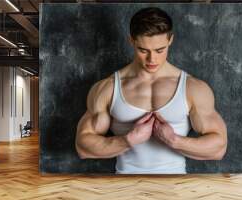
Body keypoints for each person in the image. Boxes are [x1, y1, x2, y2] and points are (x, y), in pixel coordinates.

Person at [75, 7, 227, 174]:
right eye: (143, 50)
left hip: (174, 185)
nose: (152, 59)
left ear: (170, 40)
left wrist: (174, 140)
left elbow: (218, 148)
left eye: (159, 50)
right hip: (124, 184)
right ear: (131, 41)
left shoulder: (193, 88)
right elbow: (83, 146)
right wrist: (128, 140)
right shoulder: (107, 88)